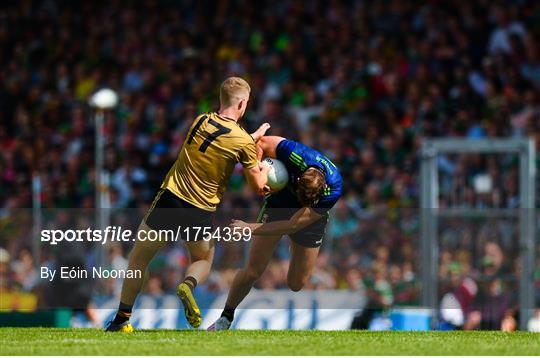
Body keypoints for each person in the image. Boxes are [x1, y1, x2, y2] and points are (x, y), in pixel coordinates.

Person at [106, 77, 271, 332]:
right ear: (241, 104)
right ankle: (188, 284)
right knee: (203, 258)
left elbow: (223, 140)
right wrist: (260, 159)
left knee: (138, 259)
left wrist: (250, 140)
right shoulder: (243, 142)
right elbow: (257, 186)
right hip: (200, 210)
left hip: (170, 198)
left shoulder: (200, 120)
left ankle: (121, 319)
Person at [208, 135, 343, 330]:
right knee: (253, 270)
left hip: (310, 218)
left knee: (296, 284)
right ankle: (226, 317)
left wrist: (249, 228)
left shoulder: (333, 190)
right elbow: (260, 143)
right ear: (298, 181)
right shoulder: (295, 154)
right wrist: (258, 175)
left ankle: (295, 247)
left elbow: (292, 225)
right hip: (279, 206)